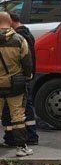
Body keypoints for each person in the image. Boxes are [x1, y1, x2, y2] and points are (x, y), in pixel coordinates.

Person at [2, 13, 38, 146]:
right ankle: (25, 142)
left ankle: (12, 139)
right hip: (19, 81)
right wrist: (28, 76)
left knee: (10, 112)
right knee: (21, 112)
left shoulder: (19, 37)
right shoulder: (24, 37)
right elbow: (28, 62)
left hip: (8, 81)